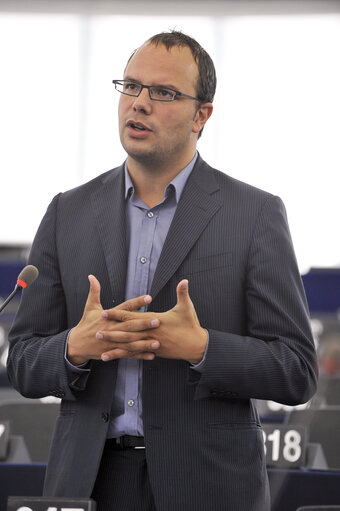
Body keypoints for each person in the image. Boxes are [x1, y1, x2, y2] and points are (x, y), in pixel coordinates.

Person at [7, 30, 318, 511]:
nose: (140, 104)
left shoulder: (254, 214)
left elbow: (296, 371)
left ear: (202, 115)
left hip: (209, 486)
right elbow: (23, 362)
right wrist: (74, 347)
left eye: (164, 93)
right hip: (87, 483)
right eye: (130, 86)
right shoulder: (68, 212)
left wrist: (201, 347)